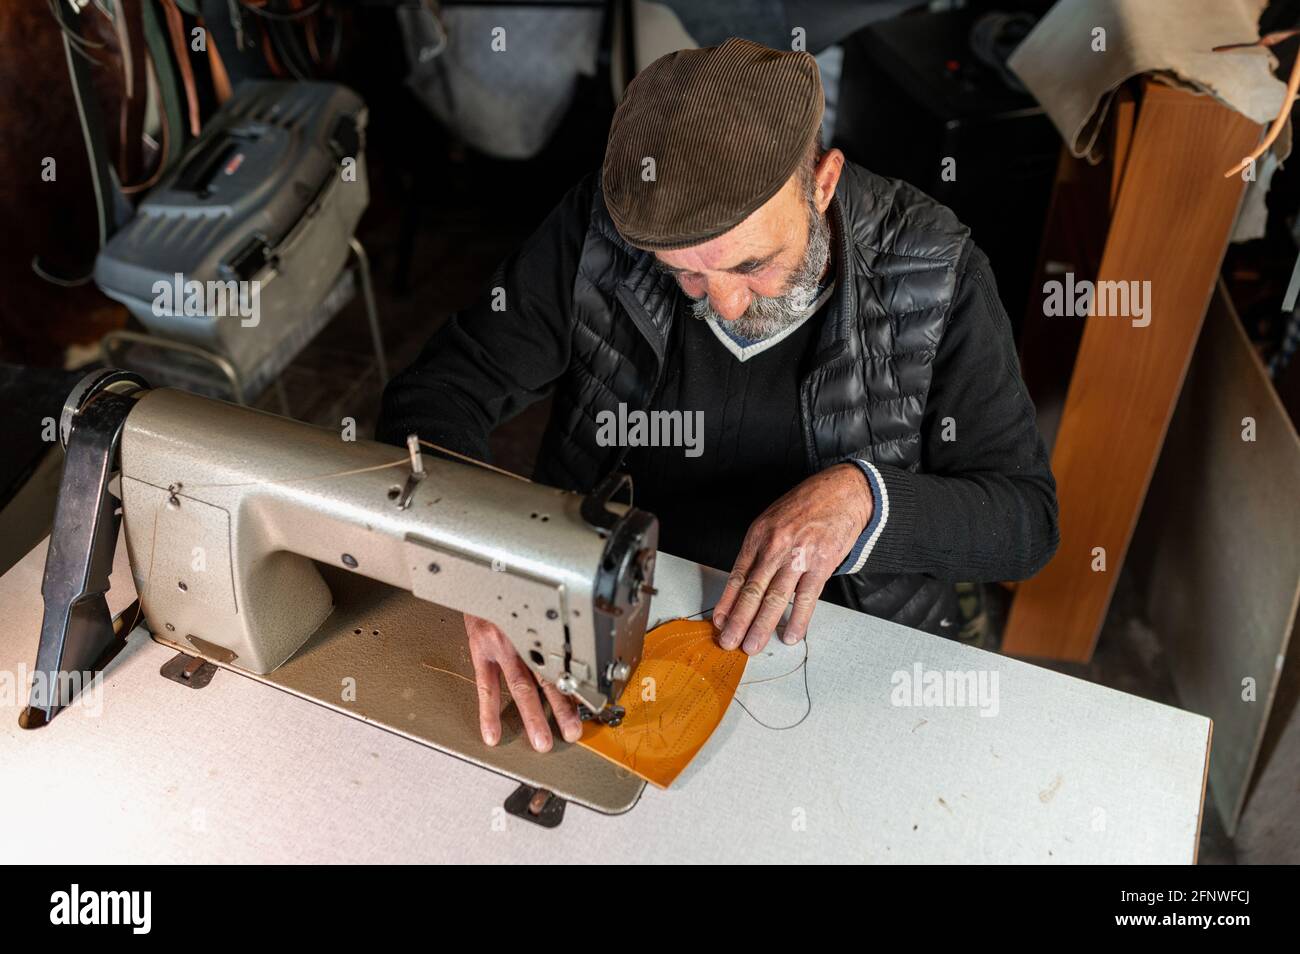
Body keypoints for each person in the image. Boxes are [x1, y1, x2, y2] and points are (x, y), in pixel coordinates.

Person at [379, 38, 1059, 753]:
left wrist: (865, 499)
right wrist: (481, 553)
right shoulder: (601, 230)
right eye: (686, 276)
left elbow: (1026, 523)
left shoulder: (937, 271)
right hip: (616, 599)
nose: (727, 306)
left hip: (841, 634)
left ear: (822, 184)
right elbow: (439, 392)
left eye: (755, 263)